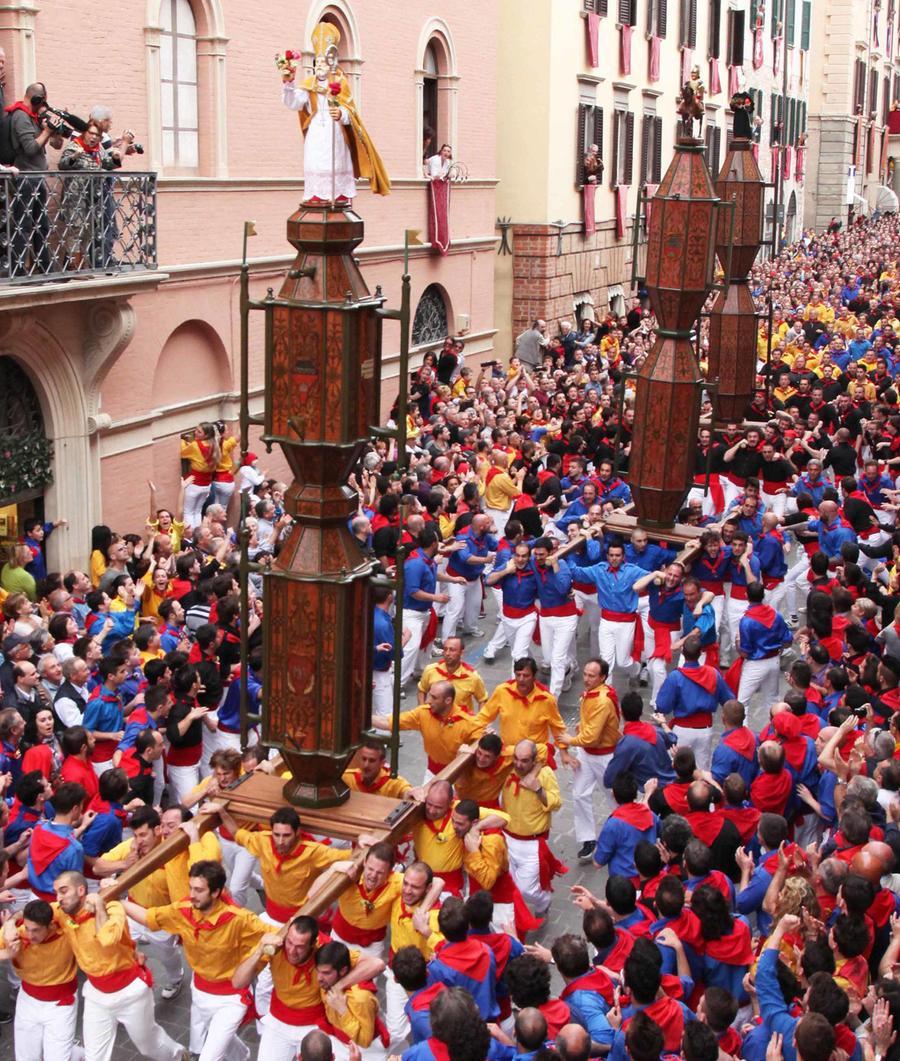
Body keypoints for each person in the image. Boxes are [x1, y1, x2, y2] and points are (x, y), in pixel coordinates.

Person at [120, 858, 269, 1061]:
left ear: (216, 892)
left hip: (231, 998)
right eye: (191, 888)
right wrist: (118, 902)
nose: (191, 895)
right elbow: (149, 917)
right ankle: (243, 1056)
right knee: (225, 1046)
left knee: (209, 1056)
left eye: (199, 890)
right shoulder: (184, 910)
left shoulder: (240, 919)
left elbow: (276, 935)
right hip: (200, 993)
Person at [53, 870, 185, 1061]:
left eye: (63, 891)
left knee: (150, 1047)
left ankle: (179, 1056)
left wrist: (99, 905)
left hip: (130, 993)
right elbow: (34, 913)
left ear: (81, 890)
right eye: (57, 893)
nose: (59, 898)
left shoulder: (113, 907)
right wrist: (12, 922)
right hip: (96, 995)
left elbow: (107, 938)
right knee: (94, 1057)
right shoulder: (62, 911)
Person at [279, 21, 389, 203]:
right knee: (316, 165)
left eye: (323, 61)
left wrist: (341, 114)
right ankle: (316, 197)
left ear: (331, 62)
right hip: (316, 133)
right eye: (317, 62)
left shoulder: (340, 82)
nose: (319, 65)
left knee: (335, 165)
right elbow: (294, 103)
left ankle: (338, 197)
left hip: (334, 132)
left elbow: (350, 109)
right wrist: (288, 84)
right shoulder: (309, 84)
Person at [556, 657, 620, 862]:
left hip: (604, 756)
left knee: (614, 797)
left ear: (602, 677)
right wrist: (580, 729)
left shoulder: (602, 700)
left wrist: (570, 740)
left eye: (592, 676)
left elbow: (592, 736)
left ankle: (623, 831)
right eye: (585, 674)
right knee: (579, 794)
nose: (586, 679)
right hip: (588, 753)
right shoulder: (592, 695)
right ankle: (588, 838)